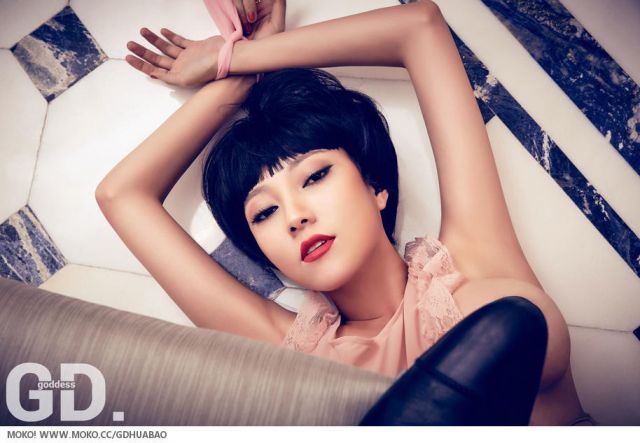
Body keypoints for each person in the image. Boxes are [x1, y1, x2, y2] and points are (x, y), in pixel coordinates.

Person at [96, 0, 595, 425]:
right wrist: (238, 85)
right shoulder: (293, 354)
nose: (294, 216)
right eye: (264, 213)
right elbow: (121, 195)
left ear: (376, 188)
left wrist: (237, 57)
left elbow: (418, 27)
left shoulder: (473, 259)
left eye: (315, 176)